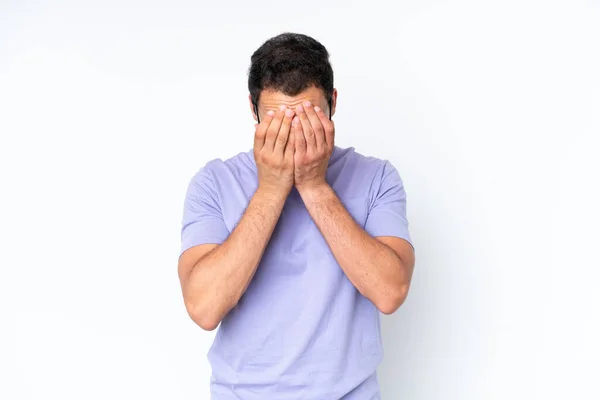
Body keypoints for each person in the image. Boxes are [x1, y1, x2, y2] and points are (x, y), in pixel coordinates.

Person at [177, 32, 416, 400]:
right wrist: (271, 189)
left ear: (333, 103)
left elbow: (390, 292)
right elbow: (204, 308)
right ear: (253, 109)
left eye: (308, 116)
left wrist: (314, 186)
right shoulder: (214, 182)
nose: (292, 133)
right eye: (275, 119)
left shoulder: (377, 177)